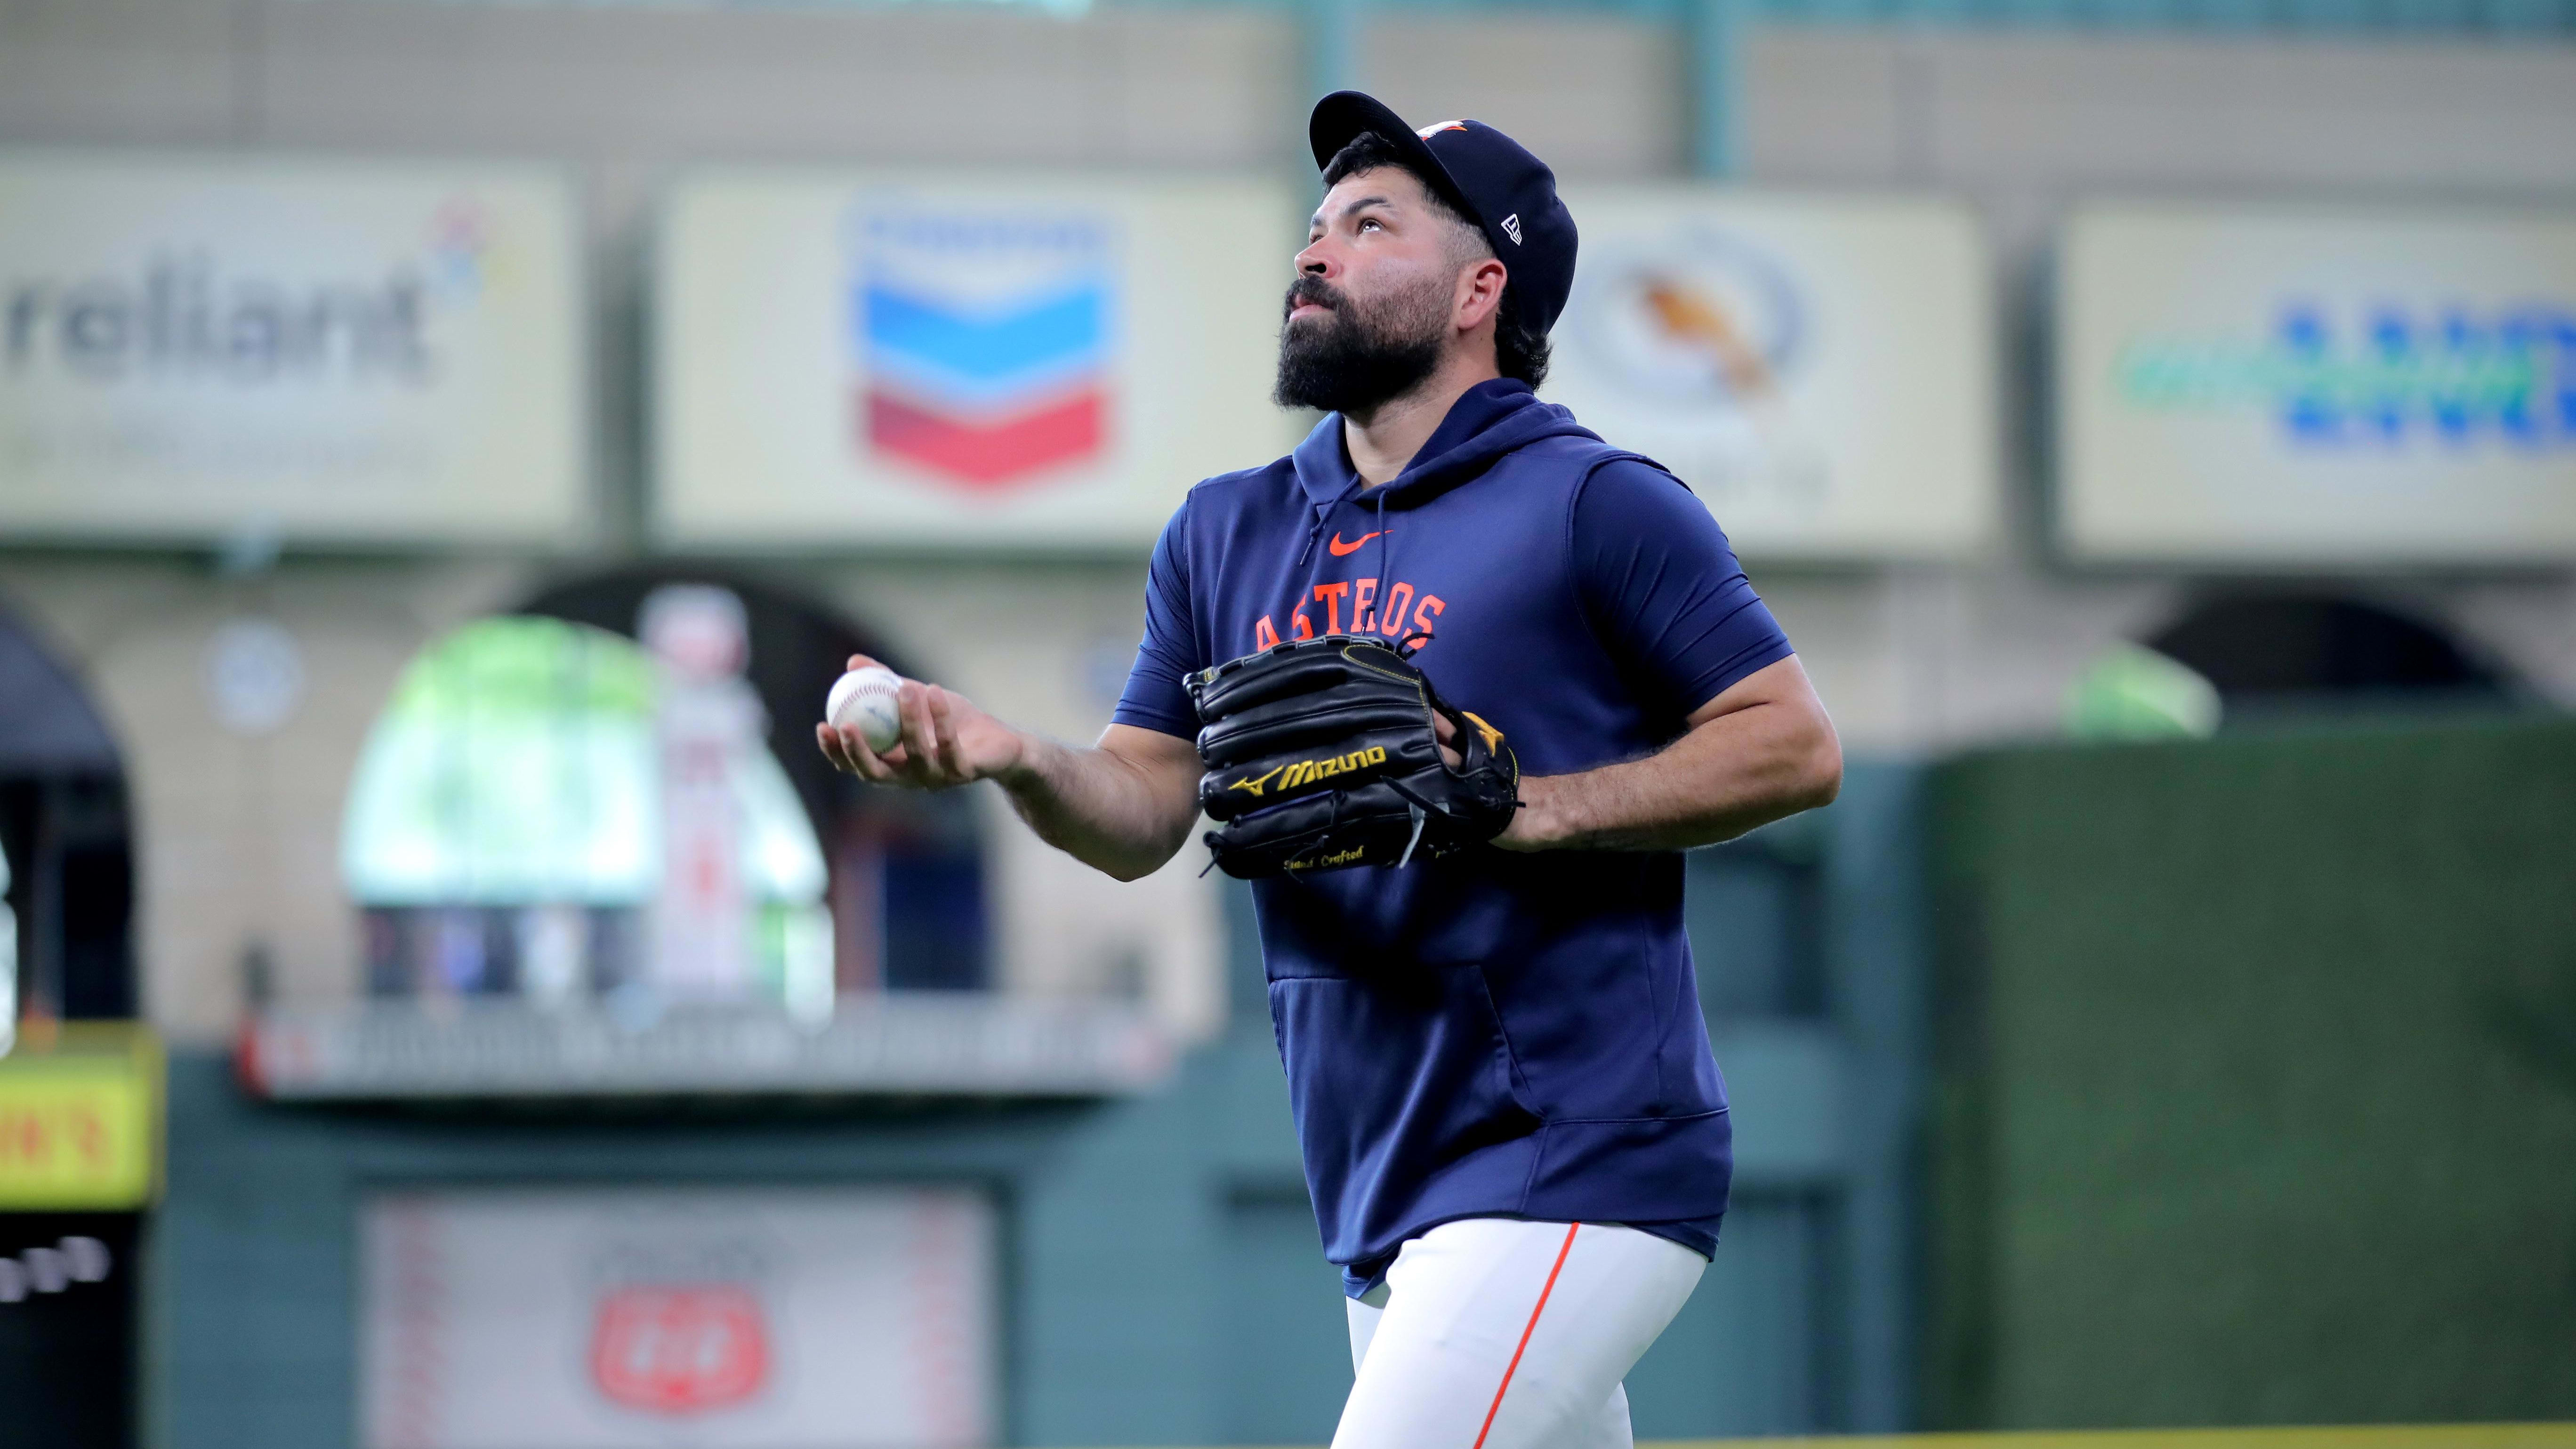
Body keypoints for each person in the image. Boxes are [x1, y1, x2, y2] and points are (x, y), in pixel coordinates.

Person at [819, 90, 1842, 1449]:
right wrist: (1016, 760)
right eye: (1315, 226)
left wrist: (1536, 808)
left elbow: (1793, 743)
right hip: (1377, 1166)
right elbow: (1137, 812)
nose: (1316, 252)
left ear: (1483, 287)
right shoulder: (1224, 530)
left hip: (1576, 1149)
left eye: (1370, 225)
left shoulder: (1597, 502)